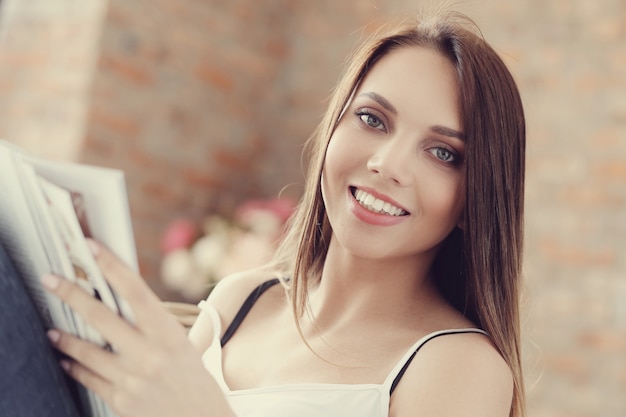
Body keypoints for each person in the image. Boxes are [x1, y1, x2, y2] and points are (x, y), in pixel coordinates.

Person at [1, 9, 526, 417]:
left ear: (474, 201)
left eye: (443, 154)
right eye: (371, 119)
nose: (386, 164)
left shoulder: (460, 367)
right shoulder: (243, 300)